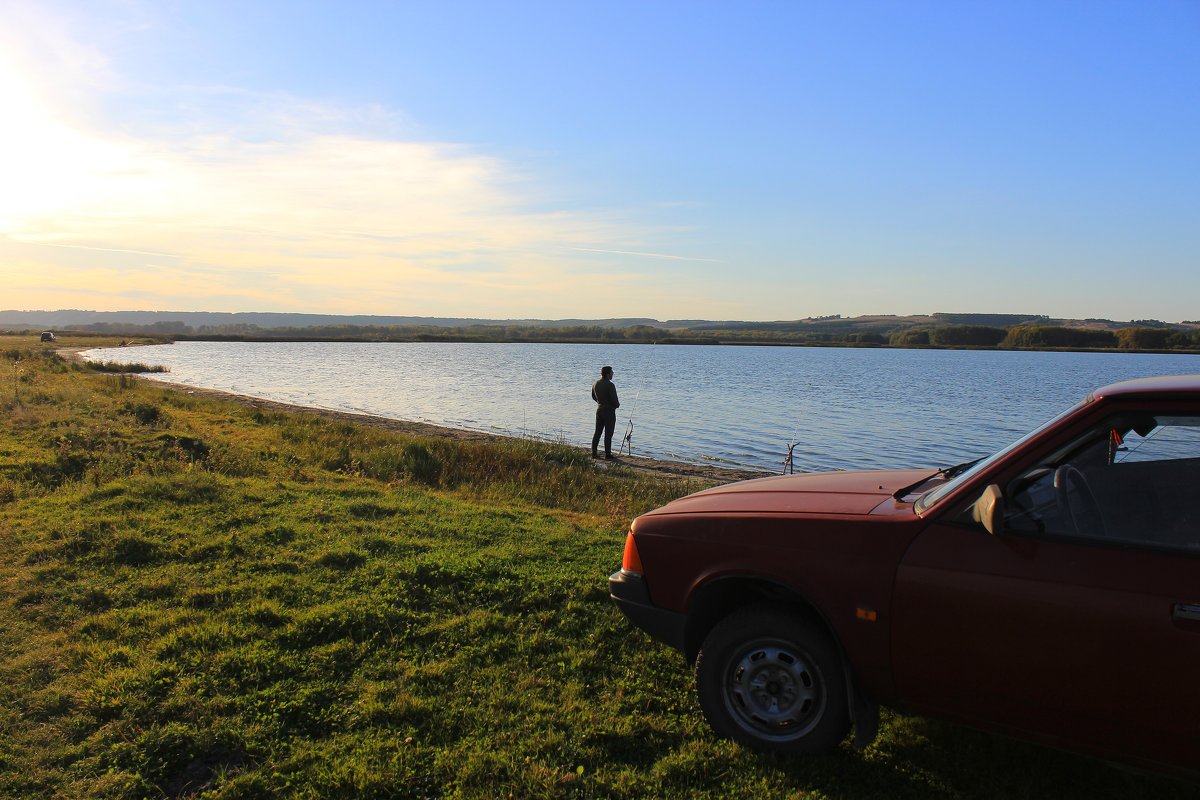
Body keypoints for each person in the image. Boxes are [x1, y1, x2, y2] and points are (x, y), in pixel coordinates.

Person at [591, 365, 620, 459]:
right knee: (608, 433)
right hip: (609, 411)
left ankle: (594, 453)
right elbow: (614, 399)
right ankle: (608, 454)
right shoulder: (610, 385)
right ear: (608, 374)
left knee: (597, 432)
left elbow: (593, 396)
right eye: (612, 372)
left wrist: (600, 403)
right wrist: (616, 405)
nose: (613, 374)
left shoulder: (595, 383)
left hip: (599, 410)